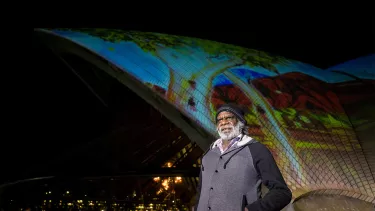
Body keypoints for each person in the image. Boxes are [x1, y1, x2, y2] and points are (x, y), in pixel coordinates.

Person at [193, 104, 292, 211]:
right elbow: (201, 191)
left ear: (240, 122)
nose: (224, 122)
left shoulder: (256, 150)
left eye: (229, 117)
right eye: (219, 119)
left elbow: (282, 192)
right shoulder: (209, 155)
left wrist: (253, 209)